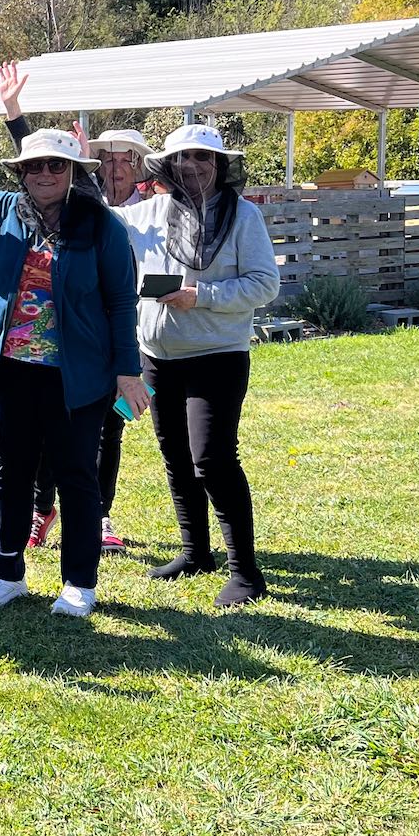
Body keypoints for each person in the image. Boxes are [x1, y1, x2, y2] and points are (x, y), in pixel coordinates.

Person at [0, 82, 144, 619]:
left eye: (56, 167)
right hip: (12, 370)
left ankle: (79, 582)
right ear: (20, 173)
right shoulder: (3, 211)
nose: (45, 176)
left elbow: (121, 301)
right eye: (34, 168)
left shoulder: (101, 226)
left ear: (73, 173)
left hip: (78, 374)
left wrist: (127, 372)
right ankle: (6, 572)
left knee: (76, 474)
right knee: (12, 470)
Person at [0, 62, 155, 556]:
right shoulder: (83, 199)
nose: (114, 166)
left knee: (105, 432)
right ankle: (43, 510)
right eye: (105, 158)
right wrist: (15, 113)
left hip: (110, 339)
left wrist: (128, 366)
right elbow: (37, 164)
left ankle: (99, 515)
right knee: (42, 439)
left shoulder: (150, 206)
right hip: (62, 342)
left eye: (124, 159)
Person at [120, 123, 280, 607]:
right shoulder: (146, 214)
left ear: (220, 167)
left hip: (217, 356)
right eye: (182, 159)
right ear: (168, 167)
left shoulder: (244, 217)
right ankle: (195, 553)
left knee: (211, 458)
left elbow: (264, 284)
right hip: (158, 357)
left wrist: (202, 297)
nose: (191, 166)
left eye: (202, 159)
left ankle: (246, 573)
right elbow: (91, 212)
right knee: (176, 458)